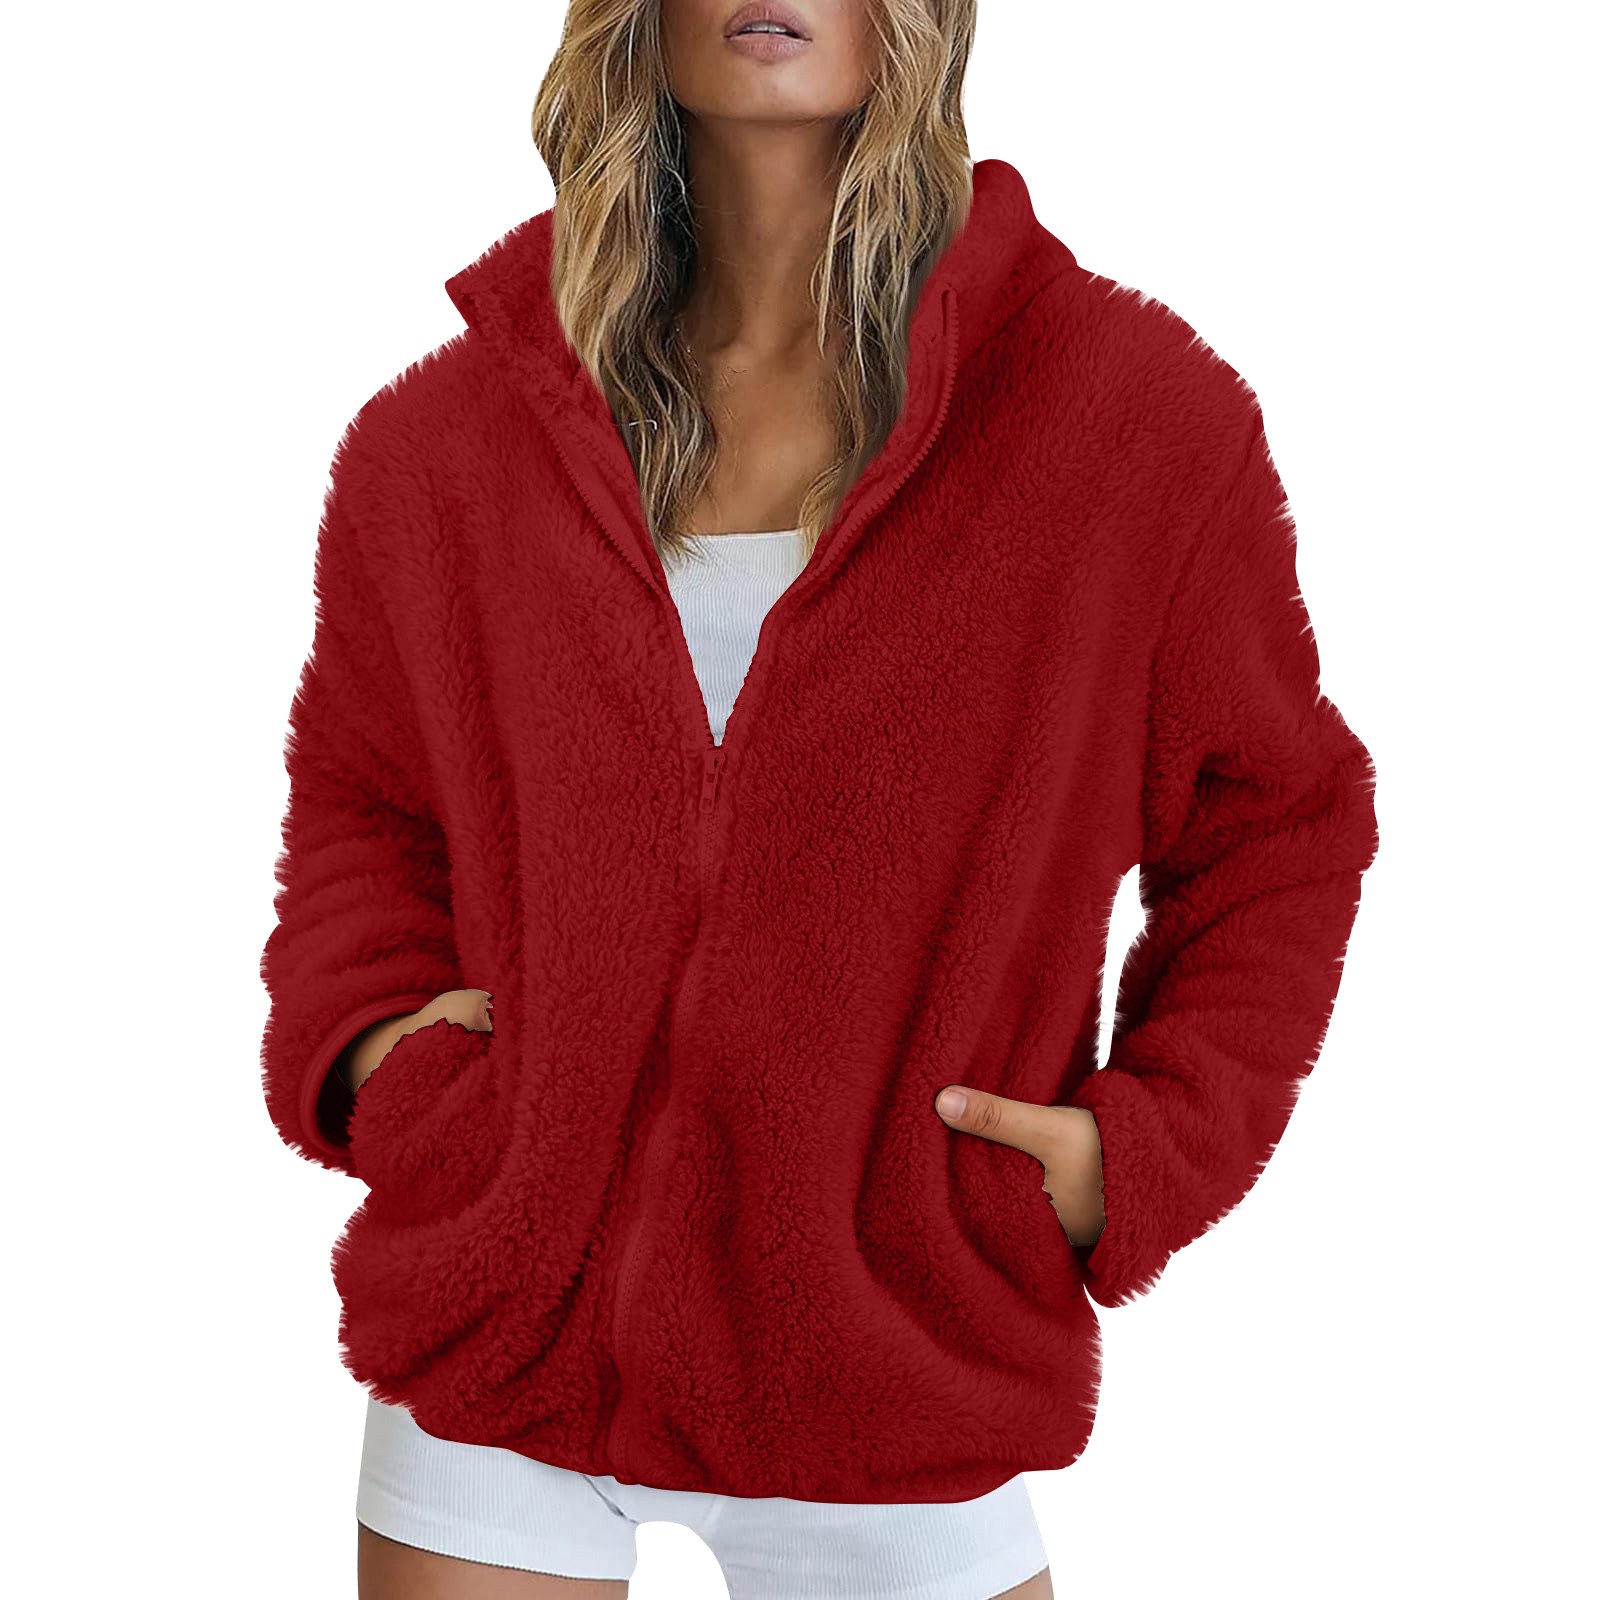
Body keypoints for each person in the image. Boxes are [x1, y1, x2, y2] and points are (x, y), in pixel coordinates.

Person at [259, 2, 1381, 1596]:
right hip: (510, 1343)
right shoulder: (447, 440)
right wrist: (386, 1062)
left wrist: (1136, 1153)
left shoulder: (1127, 420)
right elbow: (365, 803)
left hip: (900, 1341)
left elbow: (1280, 821)